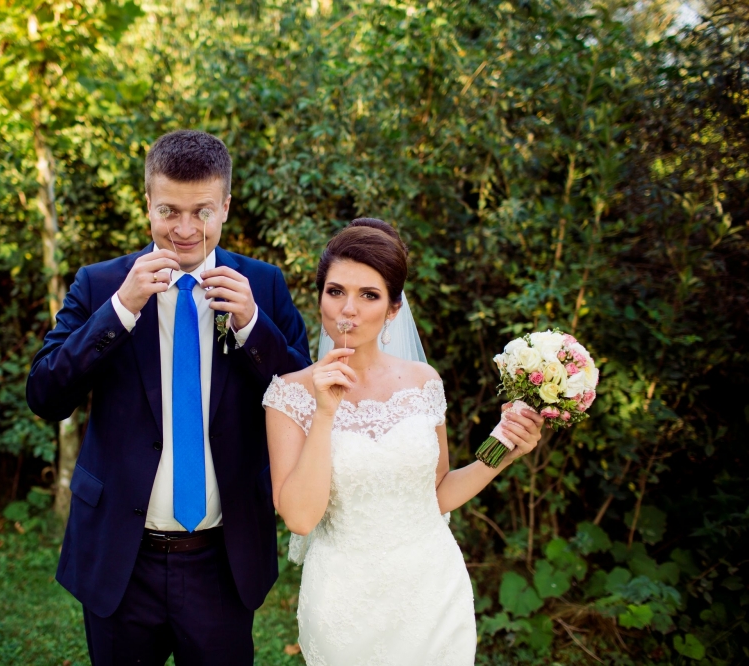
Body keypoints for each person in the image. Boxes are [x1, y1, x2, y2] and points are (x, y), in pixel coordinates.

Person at [26, 130, 310, 664]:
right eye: (168, 211)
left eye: (202, 211)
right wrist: (119, 311)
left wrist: (253, 325)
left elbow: (306, 401)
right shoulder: (100, 285)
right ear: (148, 205)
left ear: (225, 206)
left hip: (223, 560)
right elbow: (46, 395)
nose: (184, 229)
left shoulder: (263, 285)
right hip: (121, 557)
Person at [262, 218, 545, 665]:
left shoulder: (423, 382)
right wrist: (324, 414)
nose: (348, 309)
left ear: (394, 308)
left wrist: (504, 450)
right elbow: (299, 518)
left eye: (369, 295)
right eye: (335, 291)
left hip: (432, 591)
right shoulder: (287, 396)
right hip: (345, 601)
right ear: (319, 298)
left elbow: (437, 494)